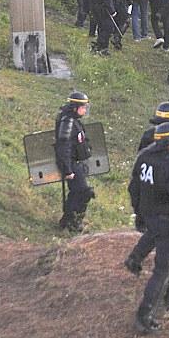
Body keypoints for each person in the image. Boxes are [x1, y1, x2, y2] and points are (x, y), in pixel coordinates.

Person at [126, 122, 169, 333]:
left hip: (151, 215)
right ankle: (143, 316)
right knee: (163, 270)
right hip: (166, 219)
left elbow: (133, 188)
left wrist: (139, 213)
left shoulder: (145, 155)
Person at [54, 91, 95, 232]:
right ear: (74, 108)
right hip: (71, 164)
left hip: (75, 163)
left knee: (78, 192)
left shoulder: (72, 121)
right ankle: (72, 223)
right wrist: (68, 170)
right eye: (82, 107)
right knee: (83, 192)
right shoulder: (67, 123)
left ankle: (68, 222)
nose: (84, 110)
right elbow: (63, 147)